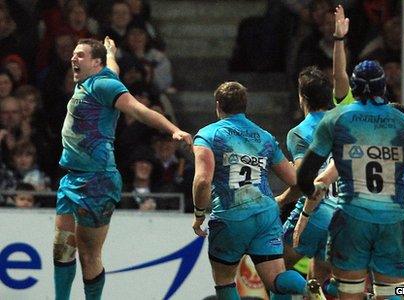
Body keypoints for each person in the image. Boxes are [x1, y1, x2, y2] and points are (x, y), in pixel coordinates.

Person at [295, 6, 404, 300]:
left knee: (349, 293)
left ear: (355, 89)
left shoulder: (338, 118)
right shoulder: (403, 122)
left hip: (351, 219)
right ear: (384, 87)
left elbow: (305, 174)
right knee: (389, 293)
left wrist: (312, 192)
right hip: (393, 220)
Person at [53, 36, 192, 300]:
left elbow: (139, 110)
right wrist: (110, 52)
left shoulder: (103, 84)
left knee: (88, 254)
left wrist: (173, 129)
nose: (73, 58)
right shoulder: (95, 78)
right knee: (62, 249)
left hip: (97, 180)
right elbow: (113, 67)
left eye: (80, 55)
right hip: (72, 178)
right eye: (73, 54)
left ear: (95, 63)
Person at [191, 81, 320, 299]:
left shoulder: (208, 135)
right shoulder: (265, 137)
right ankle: (307, 288)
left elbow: (203, 181)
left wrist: (198, 215)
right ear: (245, 106)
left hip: (231, 216)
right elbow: (295, 180)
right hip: (266, 216)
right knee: (277, 279)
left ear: (218, 105)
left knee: (224, 280)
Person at [273, 65, 333, 299]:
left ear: (302, 97)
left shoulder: (300, 132)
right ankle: (313, 289)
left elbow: (302, 181)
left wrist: (280, 199)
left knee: (277, 267)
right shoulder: (341, 123)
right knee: (318, 275)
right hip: (343, 211)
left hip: (315, 209)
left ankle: (305, 289)